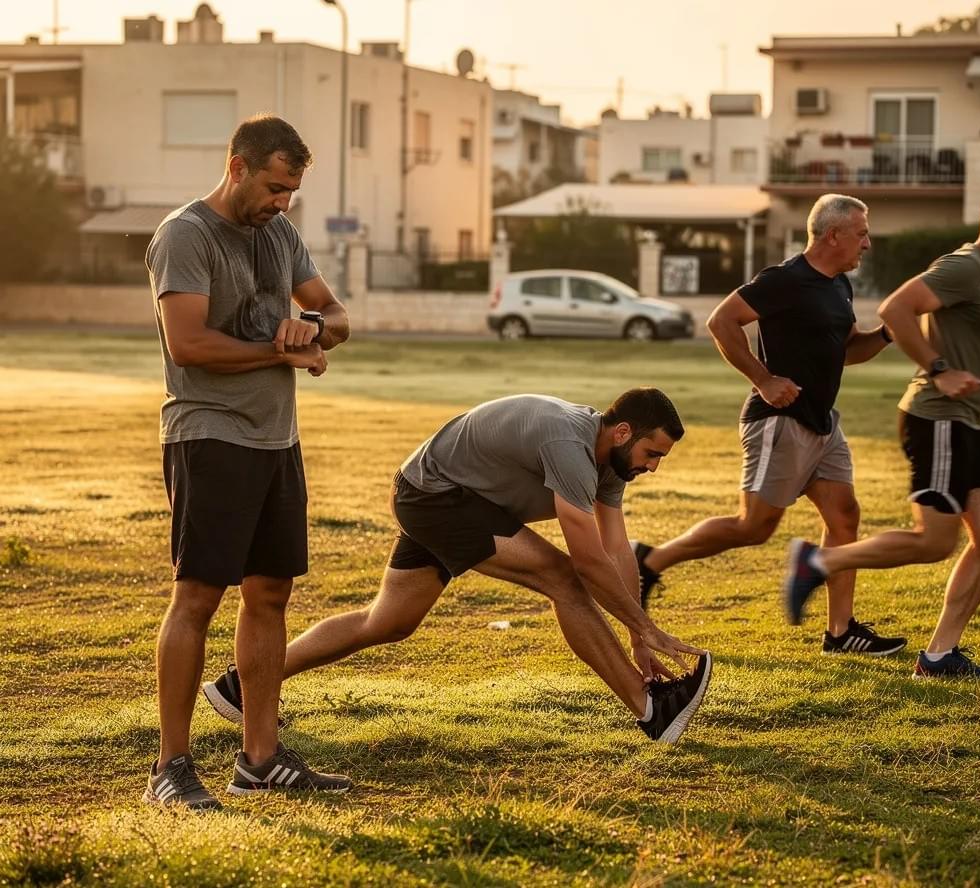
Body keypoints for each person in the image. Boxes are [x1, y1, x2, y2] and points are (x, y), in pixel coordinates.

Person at [204, 389, 713, 746]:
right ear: (623, 431)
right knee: (565, 579)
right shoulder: (570, 442)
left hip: (457, 499)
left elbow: (618, 551)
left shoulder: (612, 464)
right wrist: (643, 624)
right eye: (651, 453)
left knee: (387, 622)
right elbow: (587, 559)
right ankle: (650, 709)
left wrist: (638, 636)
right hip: (435, 496)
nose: (653, 466)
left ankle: (240, 686)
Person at [144, 115, 351, 810]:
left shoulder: (280, 234)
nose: (282, 202)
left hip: (274, 438)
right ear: (237, 166)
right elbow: (188, 344)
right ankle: (170, 767)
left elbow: (338, 316)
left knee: (270, 593)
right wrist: (281, 349)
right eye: (274, 187)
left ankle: (260, 759)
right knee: (199, 596)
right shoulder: (186, 234)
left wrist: (311, 327)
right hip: (208, 433)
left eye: (291, 191)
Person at [786, 184, 980, 679]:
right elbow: (896, 308)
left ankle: (939, 655)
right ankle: (818, 562)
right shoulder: (963, 267)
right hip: (937, 417)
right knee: (934, 542)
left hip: (970, 422)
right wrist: (938, 369)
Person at [630, 194, 905, 657]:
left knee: (845, 516)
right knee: (754, 527)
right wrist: (763, 379)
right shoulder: (786, 279)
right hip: (780, 422)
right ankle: (651, 561)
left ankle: (841, 632)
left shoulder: (840, 287)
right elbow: (722, 321)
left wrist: (886, 334)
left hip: (822, 424)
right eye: (861, 233)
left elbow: (848, 350)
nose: (868, 244)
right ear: (832, 234)